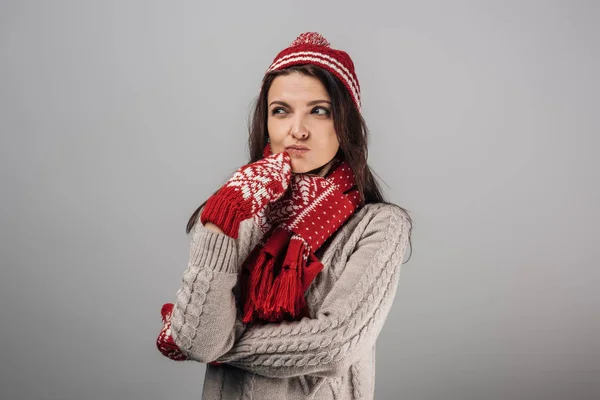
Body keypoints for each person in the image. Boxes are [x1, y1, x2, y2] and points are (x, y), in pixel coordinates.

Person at [155, 31, 413, 400]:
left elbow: (335, 344)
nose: (298, 130)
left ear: (345, 123)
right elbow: (200, 340)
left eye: (319, 111)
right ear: (266, 121)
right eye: (281, 111)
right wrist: (225, 213)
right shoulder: (234, 208)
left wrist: (223, 346)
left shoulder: (380, 225)